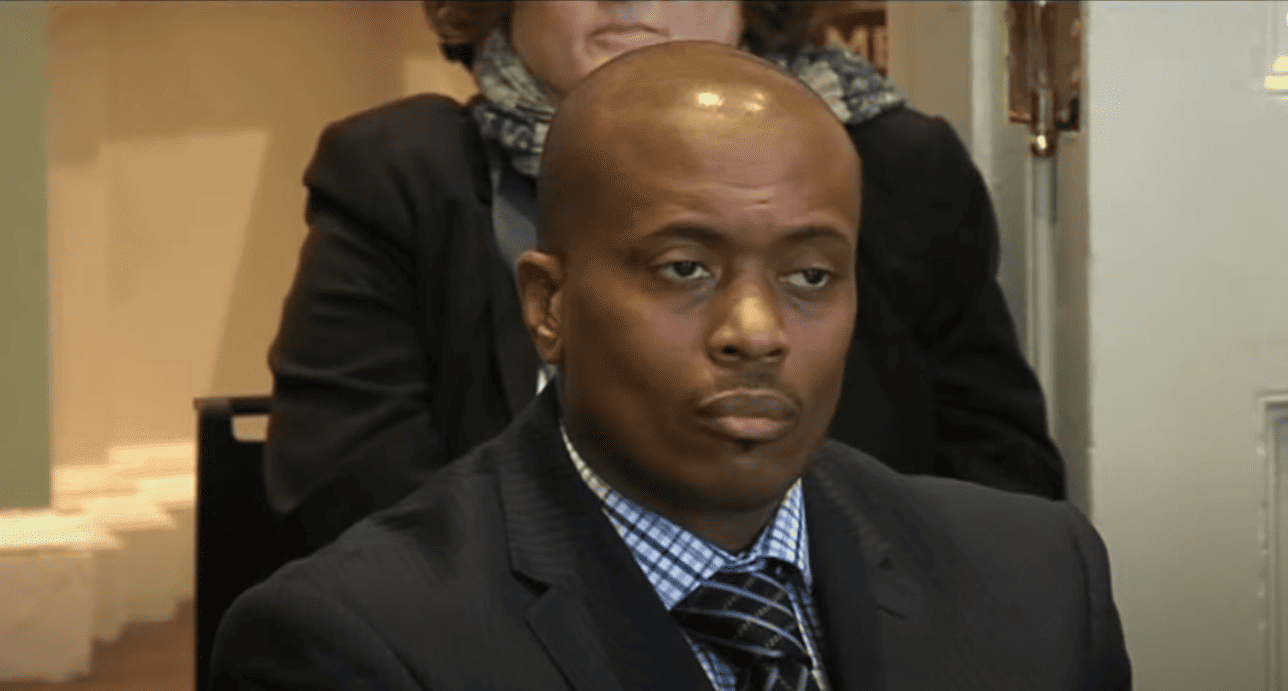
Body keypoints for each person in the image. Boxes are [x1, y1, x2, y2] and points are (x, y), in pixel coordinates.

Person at [211, 42, 1129, 691]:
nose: (756, 332)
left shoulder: (1040, 578)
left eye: (811, 276)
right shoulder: (356, 644)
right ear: (549, 306)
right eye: (684, 268)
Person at [265, 0, 1064, 557]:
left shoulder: (893, 165)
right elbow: (347, 497)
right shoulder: (398, 175)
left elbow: (1002, 482)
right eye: (683, 265)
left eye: (809, 273)